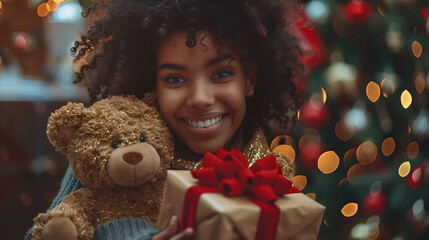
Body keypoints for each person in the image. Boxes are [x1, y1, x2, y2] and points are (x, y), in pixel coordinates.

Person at [25, 0, 302, 239]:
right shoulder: (111, 154)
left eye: (221, 74)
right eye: (175, 79)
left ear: (249, 79)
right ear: (151, 86)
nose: (200, 98)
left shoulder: (265, 164)